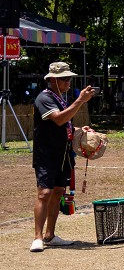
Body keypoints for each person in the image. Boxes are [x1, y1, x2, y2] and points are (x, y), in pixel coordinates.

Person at [30, 62, 95, 252]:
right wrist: (80, 101)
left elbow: (64, 124)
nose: (68, 82)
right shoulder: (44, 98)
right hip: (46, 154)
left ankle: (50, 235)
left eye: (69, 78)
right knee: (44, 193)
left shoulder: (60, 99)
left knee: (58, 191)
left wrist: (77, 130)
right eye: (64, 79)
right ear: (53, 80)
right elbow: (58, 119)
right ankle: (37, 237)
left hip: (63, 154)